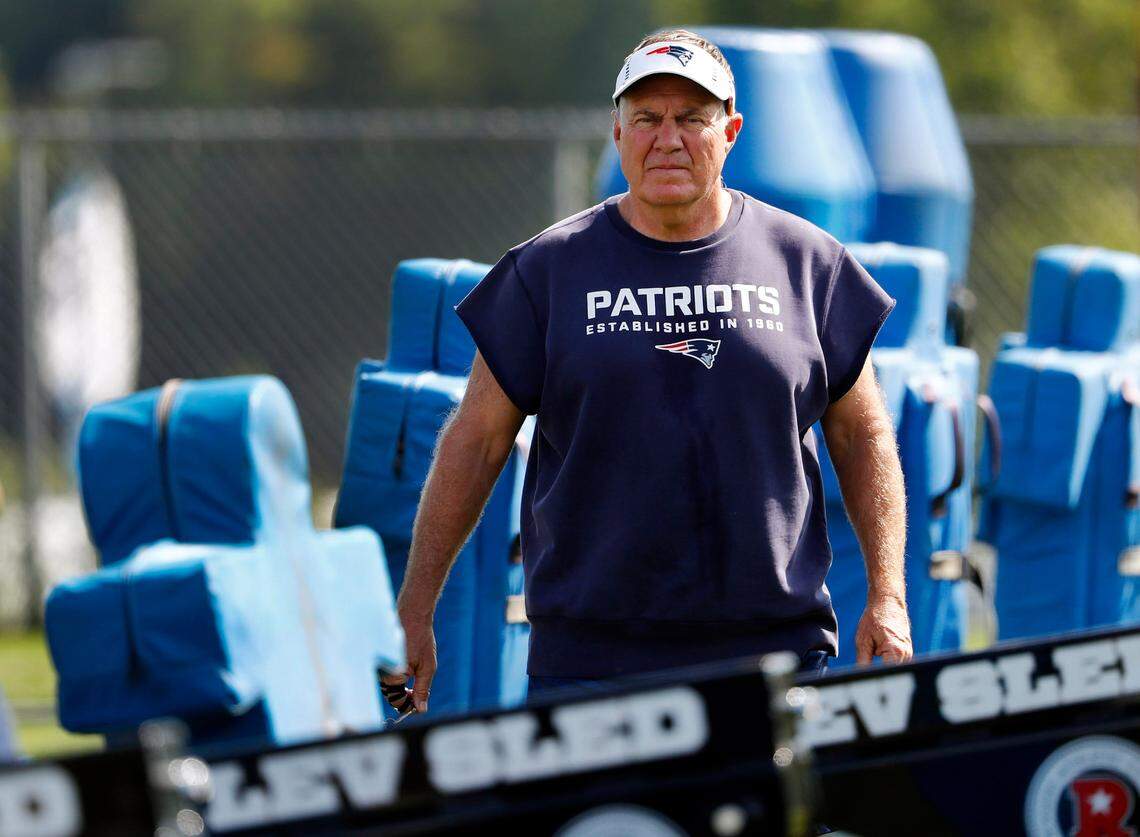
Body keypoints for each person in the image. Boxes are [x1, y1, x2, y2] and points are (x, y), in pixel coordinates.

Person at [383, 29, 911, 715]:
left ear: (731, 131)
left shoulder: (807, 263)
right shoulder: (546, 271)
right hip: (590, 665)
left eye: (691, 118)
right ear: (617, 133)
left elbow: (863, 433)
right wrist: (415, 608)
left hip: (776, 658)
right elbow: (476, 440)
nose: (668, 138)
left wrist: (888, 594)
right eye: (647, 118)